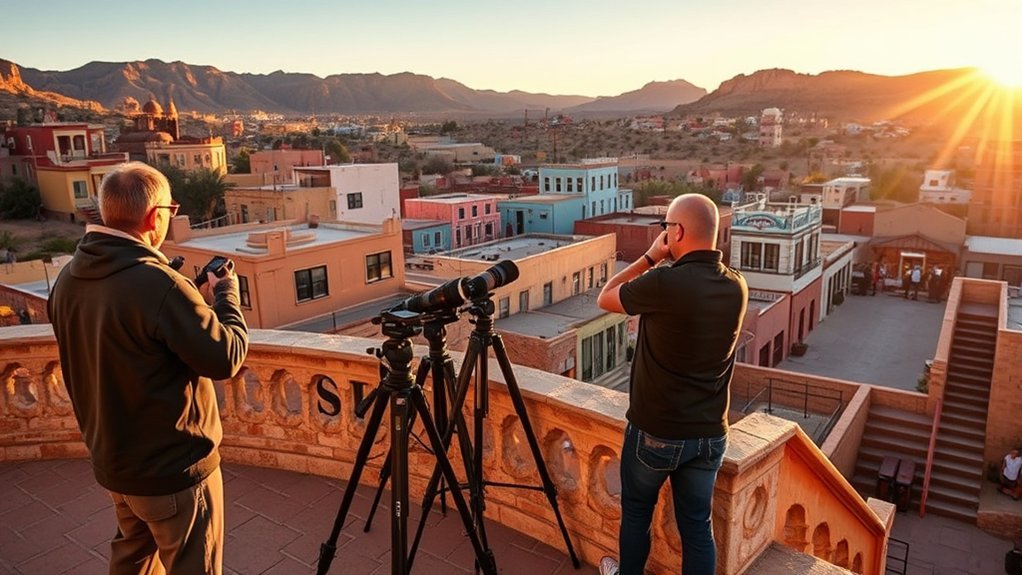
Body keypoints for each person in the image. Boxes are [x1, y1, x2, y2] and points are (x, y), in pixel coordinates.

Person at [48, 162, 249, 575]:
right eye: (170, 211)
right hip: (172, 470)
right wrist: (227, 297)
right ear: (154, 216)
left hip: (116, 463)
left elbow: (123, 340)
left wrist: (175, 296)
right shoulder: (159, 286)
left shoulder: (68, 279)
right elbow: (225, 358)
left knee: (133, 560)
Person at [596, 194, 748, 575]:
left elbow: (605, 298)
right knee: (697, 528)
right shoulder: (736, 286)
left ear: (676, 231)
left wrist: (650, 256)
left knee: (636, 515)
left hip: (657, 431)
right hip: (710, 434)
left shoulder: (665, 282)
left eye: (666, 227)